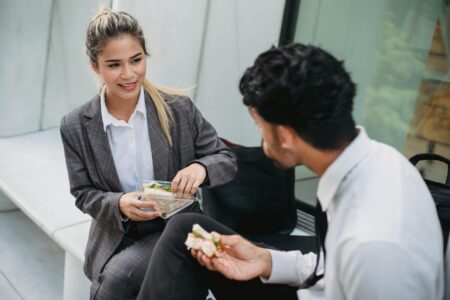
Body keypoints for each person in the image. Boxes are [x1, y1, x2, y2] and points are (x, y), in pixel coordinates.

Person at [137, 43, 444, 300]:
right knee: (186, 229)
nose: (259, 136)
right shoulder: (381, 161)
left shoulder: (375, 250)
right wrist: (266, 260)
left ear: (284, 136)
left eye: (258, 125)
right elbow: (330, 269)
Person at [60, 8, 237, 300]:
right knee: (115, 283)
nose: (129, 74)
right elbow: (83, 193)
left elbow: (225, 160)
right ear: (95, 65)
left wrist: (200, 168)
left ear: (145, 56)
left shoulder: (178, 109)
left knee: (114, 284)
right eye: (114, 65)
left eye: (136, 60)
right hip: (116, 234)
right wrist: (119, 204)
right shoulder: (76, 125)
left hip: (176, 227)